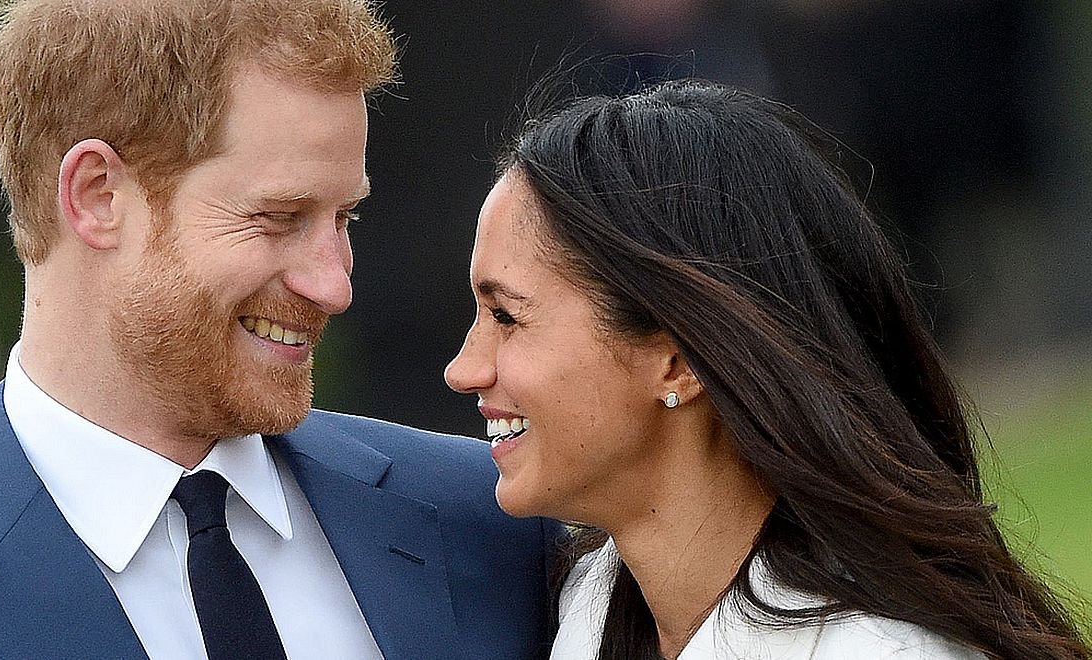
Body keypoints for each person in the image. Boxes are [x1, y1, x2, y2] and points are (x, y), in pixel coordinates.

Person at [0, 1, 559, 658]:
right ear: (97, 196)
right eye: (279, 217)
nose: (333, 286)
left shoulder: (494, 525)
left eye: (344, 219)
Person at [445, 79, 1090, 659]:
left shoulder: (881, 653)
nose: (463, 370)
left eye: (507, 317)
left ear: (676, 360)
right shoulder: (587, 611)